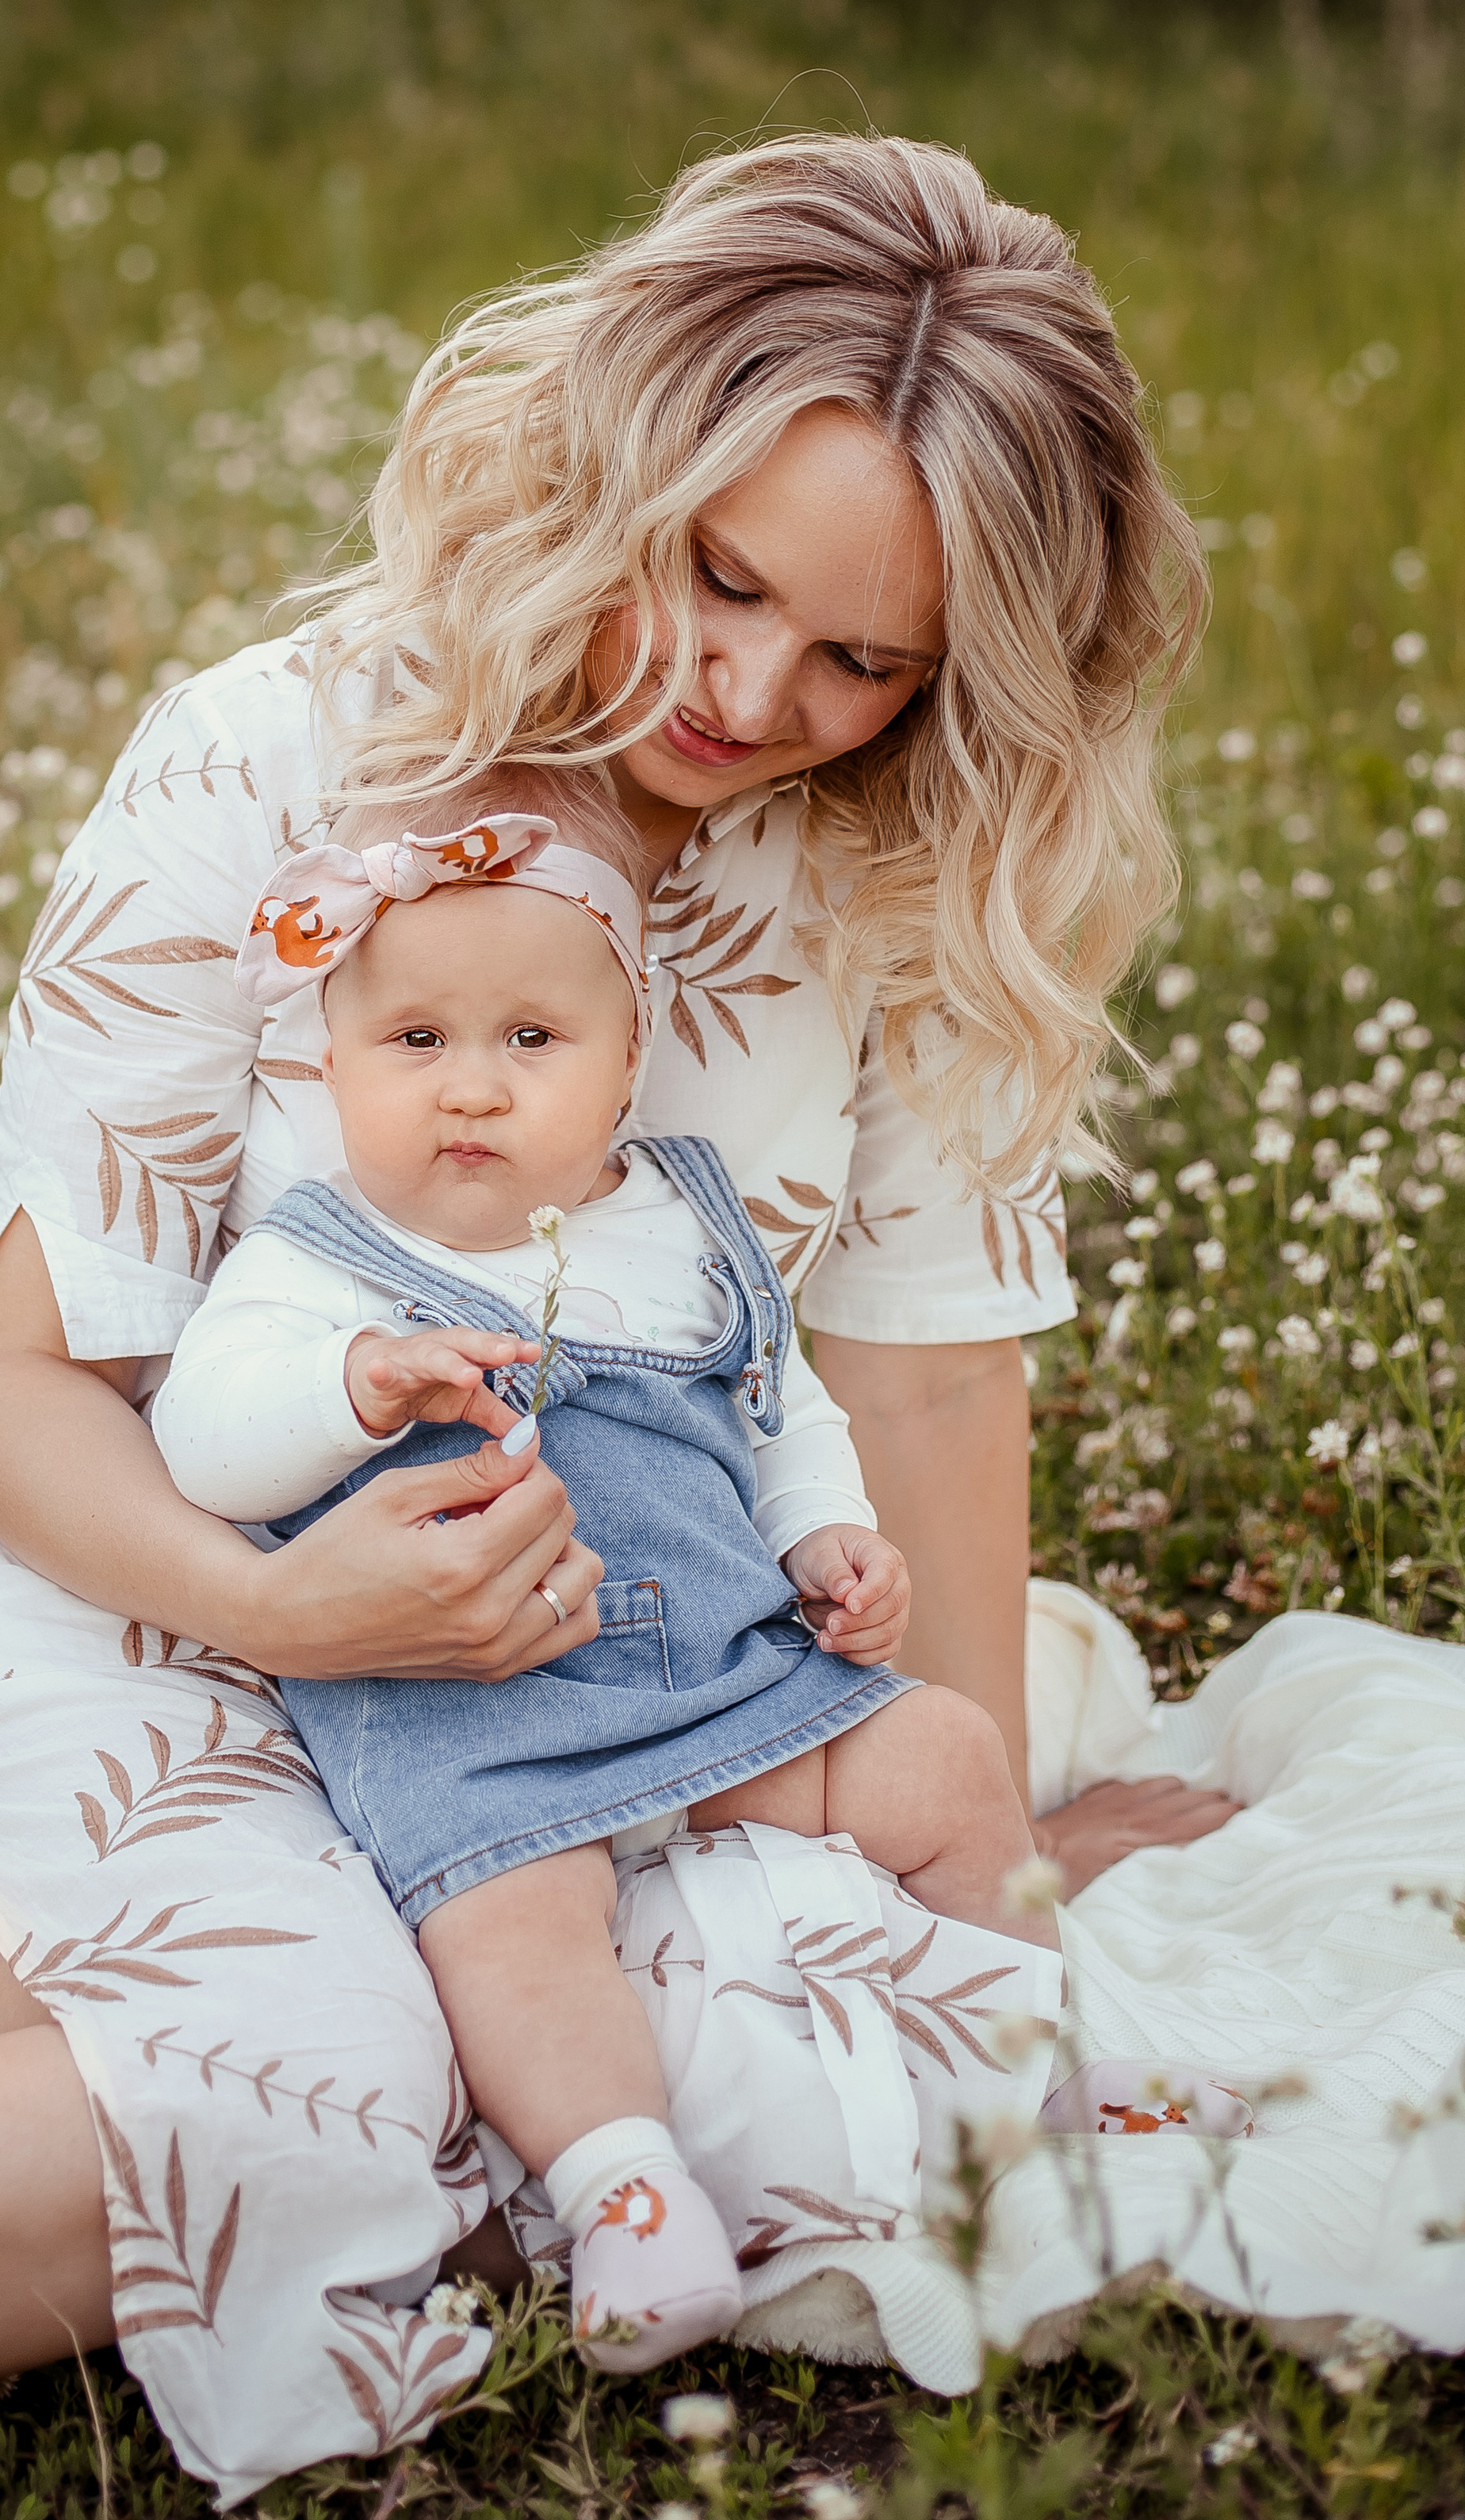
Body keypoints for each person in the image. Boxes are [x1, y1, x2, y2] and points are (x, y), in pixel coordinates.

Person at [0, 134, 1238, 2492]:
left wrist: (990, 1850)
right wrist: (286, 1601)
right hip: (119, 1564)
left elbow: (932, 1376)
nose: (751, 690)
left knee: (600, 2079)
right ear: (619, 467)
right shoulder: (279, 749)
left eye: (863, 658)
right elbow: (23, 1381)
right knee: (320, 2101)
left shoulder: (910, 883)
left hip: (603, 1647)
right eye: (718, 577)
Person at [152, 782, 1069, 2373]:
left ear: (625, 1061)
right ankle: (626, 2188)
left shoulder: (682, 1224)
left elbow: (779, 1411)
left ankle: (1040, 2075)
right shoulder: (314, 1263)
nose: (473, 1090)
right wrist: (351, 1388)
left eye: (530, 1042)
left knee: (948, 1755)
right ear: (330, 1068)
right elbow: (207, 1446)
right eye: (415, 1044)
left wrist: (821, 1538)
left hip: (726, 1667)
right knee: (507, 1923)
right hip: (479, 1708)